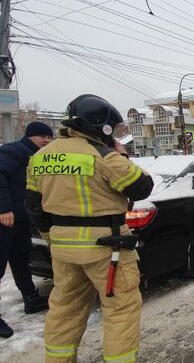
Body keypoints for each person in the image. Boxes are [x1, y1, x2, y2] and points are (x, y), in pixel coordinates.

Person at [25, 94, 153, 363]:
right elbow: (142, 187)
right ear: (101, 127)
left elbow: (34, 206)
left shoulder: (40, 157)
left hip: (63, 248)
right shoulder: (105, 155)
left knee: (64, 309)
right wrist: (122, 154)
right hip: (107, 248)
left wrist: (53, 238)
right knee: (120, 310)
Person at [0, 122, 53, 338]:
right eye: (42, 137)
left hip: (21, 221)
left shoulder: (39, 156)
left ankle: (31, 300)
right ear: (31, 136)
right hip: (5, 219)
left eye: (49, 138)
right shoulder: (14, 150)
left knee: (21, 259)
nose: (47, 141)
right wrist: (3, 208)